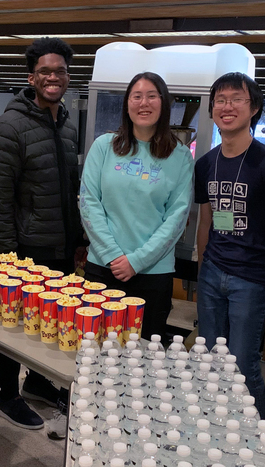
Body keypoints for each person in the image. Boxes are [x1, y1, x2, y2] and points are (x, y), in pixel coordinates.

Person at [0, 37, 82, 436]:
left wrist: (76, 240)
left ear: (67, 77)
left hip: (60, 244)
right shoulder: (12, 124)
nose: (53, 77)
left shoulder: (67, 125)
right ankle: (7, 392)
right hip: (25, 247)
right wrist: (8, 253)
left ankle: (39, 381)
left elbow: (69, 186)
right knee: (16, 322)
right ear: (32, 77)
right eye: (45, 71)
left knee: (51, 320)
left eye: (59, 71)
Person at [80, 72, 194, 338]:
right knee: (93, 349)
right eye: (137, 96)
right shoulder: (103, 147)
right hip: (103, 267)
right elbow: (88, 203)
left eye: (152, 96)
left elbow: (177, 217)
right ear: (127, 104)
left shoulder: (179, 156)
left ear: (164, 103)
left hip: (153, 274)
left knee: (142, 355)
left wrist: (137, 261)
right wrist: (112, 255)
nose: (144, 103)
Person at [195, 72, 265, 420]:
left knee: (243, 367)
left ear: (253, 108)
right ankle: (216, 428)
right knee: (210, 360)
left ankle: (258, 444)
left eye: (236, 99)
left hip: (252, 278)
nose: (227, 107)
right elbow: (206, 217)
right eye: (221, 100)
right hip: (212, 271)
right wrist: (201, 268)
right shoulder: (206, 163)